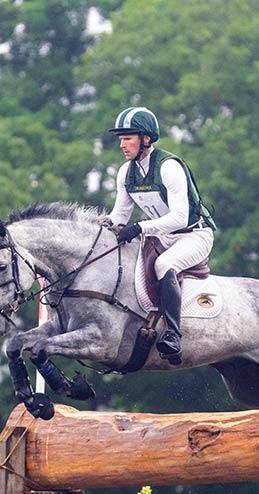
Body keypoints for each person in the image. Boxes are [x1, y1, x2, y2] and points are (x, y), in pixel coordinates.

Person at [103, 107, 217, 362]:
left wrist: (140, 228)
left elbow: (179, 217)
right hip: (161, 236)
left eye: (127, 138)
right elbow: (120, 216)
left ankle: (173, 335)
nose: (122, 145)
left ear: (146, 139)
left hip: (193, 235)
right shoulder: (126, 172)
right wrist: (100, 229)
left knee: (165, 264)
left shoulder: (169, 167)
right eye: (120, 139)